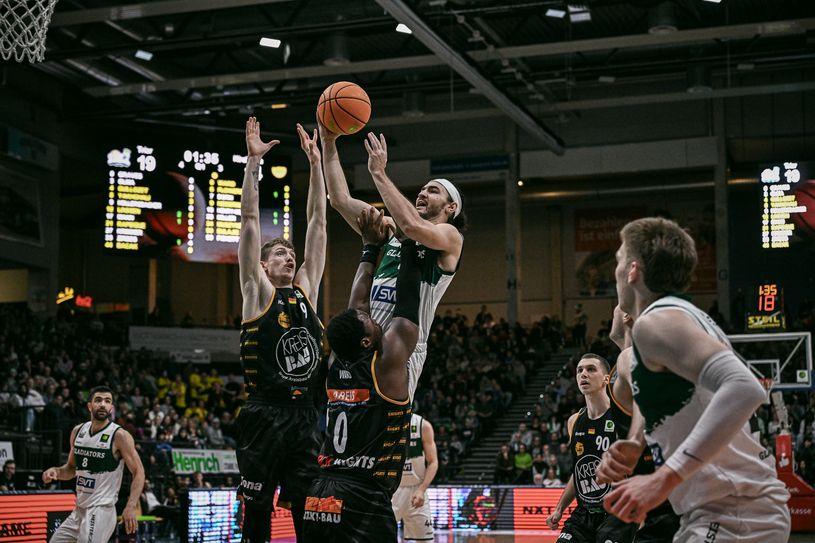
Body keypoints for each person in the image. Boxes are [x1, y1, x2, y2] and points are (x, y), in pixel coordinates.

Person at [599, 217, 790, 542]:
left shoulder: (656, 322)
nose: (614, 272)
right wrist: (637, 443)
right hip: (726, 510)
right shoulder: (677, 319)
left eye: (617, 260)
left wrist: (662, 480)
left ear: (632, 270)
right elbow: (683, 404)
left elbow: (744, 388)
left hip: (734, 512)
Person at [302, 208, 422, 543]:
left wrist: (370, 247)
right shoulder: (384, 365)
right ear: (367, 341)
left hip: (321, 491)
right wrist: (408, 243)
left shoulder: (336, 361)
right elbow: (408, 305)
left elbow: (357, 304)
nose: (373, 317)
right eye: (370, 322)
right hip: (362, 494)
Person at [319, 123, 465, 400]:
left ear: (451, 207)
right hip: (363, 336)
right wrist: (329, 142)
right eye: (421, 190)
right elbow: (339, 199)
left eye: (433, 191)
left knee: (387, 422)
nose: (422, 193)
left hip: (403, 345)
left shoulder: (449, 236)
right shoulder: (390, 230)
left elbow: (411, 226)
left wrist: (378, 172)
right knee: (353, 416)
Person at [236, 117, 327, 542]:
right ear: (263, 265)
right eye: (280, 255)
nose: (289, 259)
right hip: (264, 413)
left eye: (292, 255)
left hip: (306, 415)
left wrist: (317, 165)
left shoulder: (306, 291)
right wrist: (253, 165)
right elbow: (251, 222)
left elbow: (318, 224)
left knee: (310, 511)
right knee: (256, 513)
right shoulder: (256, 292)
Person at [602, 305, 680, 542]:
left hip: (670, 492)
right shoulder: (626, 360)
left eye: (616, 306)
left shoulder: (631, 357)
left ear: (626, 315)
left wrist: (635, 441)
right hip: (661, 490)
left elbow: (645, 397)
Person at [545, 355, 637, 543]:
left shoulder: (622, 417)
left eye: (591, 369)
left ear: (606, 379)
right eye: (580, 370)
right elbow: (578, 473)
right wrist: (560, 508)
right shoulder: (574, 421)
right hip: (584, 514)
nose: (583, 374)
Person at [42, 386, 145, 542]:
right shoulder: (78, 431)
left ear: (111, 408)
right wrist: (56, 471)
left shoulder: (119, 435)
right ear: (89, 405)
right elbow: (70, 469)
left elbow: (139, 472)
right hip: (79, 509)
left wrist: (131, 505)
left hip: (101, 510)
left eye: (107, 401)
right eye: (98, 400)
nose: (103, 404)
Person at [392, 411, 438, 542]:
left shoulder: (423, 425)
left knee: (426, 540)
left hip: (416, 489)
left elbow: (433, 461)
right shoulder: (382, 422)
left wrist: (422, 489)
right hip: (391, 489)